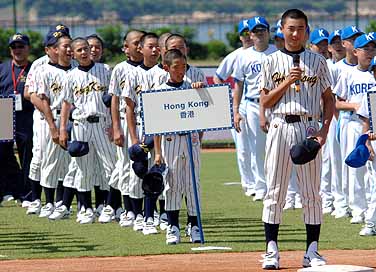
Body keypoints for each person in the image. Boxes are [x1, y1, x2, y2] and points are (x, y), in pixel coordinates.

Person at [259, 9, 334, 269]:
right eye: (290, 28)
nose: (295, 33)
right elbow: (266, 102)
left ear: (306, 30)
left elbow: (328, 99)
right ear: (281, 29)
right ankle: (271, 251)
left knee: (312, 192)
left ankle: (312, 251)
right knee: (275, 190)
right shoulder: (270, 61)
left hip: (310, 127)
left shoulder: (318, 61)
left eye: (300, 28)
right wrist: (286, 83)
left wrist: (323, 132)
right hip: (280, 125)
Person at [58, 38, 115, 224]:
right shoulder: (70, 76)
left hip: (102, 123)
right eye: (80, 50)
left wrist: (116, 125)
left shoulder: (105, 70)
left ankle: (112, 206)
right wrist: (62, 129)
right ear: (73, 54)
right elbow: (66, 103)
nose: (84, 52)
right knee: (83, 170)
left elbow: (114, 99)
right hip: (81, 125)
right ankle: (85, 209)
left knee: (111, 167)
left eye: (86, 49)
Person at [153, 48, 204, 245]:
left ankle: (194, 225)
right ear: (166, 67)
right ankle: (173, 226)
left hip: (190, 140)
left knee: (193, 183)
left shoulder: (192, 86)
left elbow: (205, 110)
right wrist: (157, 152)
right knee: (172, 184)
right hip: (170, 141)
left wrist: (200, 90)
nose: (181, 71)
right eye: (176, 67)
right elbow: (155, 126)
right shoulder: (159, 91)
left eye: (183, 66)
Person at [102, 30, 145, 226]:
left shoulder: (154, 69)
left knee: (143, 167)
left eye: (142, 42)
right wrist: (116, 127)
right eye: (136, 42)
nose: (139, 45)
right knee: (126, 167)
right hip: (125, 121)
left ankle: (137, 209)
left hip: (147, 123)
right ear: (126, 47)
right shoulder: (119, 69)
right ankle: (128, 210)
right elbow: (114, 99)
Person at [233, 16, 277, 201]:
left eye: (262, 30)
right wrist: (236, 110)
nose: (259, 34)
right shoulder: (243, 55)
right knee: (257, 148)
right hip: (252, 103)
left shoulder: (277, 52)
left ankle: (278, 185)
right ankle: (260, 186)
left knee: (277, 147)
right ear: (250, 34)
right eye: (255, 31)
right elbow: (238, 85)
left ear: (268, 32)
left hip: (275, 104)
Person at [335, 33, 376, 224]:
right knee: (356, 168)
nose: (370, 52)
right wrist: (354, 106)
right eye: (366, 48)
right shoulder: (348, 74)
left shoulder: (374, 73)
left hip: (373, 126)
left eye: (373, 48)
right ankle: (358, 210)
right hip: (353, 124)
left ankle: (371, 210)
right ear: (356, 51)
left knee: (372, 171)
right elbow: (337, 103)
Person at [213, 19, 254, 197]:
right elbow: (217, 78)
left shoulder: (264, 53)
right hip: (241, 106)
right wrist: (229, 96)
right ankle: (248, 183)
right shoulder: (234, 56)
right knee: (243, 148)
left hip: (259, 104)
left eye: (249, 32)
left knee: (259, 147)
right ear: (240, 36)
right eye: (244, 33)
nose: (247, 36)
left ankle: (262, 182)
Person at [36, 32, 73, 218]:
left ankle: (62, 203)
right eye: (64, 46)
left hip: (75, 120)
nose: (68, 49)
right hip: (55, 117)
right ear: (55, 49)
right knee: (50, 162)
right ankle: (48, 202)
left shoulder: (77, 70)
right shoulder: (45, 71)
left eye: (70, 45)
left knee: (69, 165)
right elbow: (43, 101)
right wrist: (52, 126)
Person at [333, 25, 363, 219]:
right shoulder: (338, 69)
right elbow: (333, 100)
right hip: (346, 120)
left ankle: (363, 206)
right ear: (344, 44)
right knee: (342, 164)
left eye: (357, 38)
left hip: (367, 122)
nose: (354, 42)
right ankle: (344, 203)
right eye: (351, 39)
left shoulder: (371, 69)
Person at [0, 33, 33, 206]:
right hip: (4, 111)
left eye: (21, 46)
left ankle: (27, 195)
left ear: (28, 48)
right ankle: (8, 190)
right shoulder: (3, 68)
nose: (17, 50)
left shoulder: (34, 68)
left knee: (27, 155)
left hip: (26, 114)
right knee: (3, 155)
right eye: (14, 47)